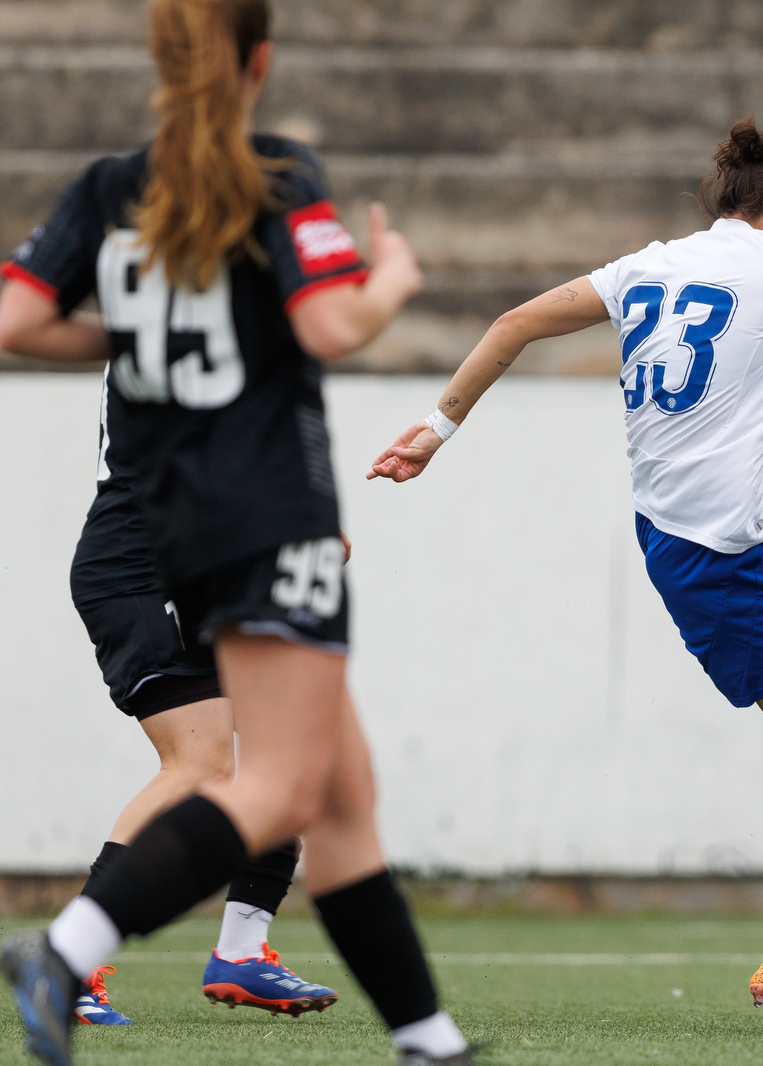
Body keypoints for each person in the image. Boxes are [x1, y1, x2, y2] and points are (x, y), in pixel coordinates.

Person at [368, 118, 763, 1036]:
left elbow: (513, 325)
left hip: (738, 508)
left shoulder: (646, 264)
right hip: (720, 548)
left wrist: (435, 431)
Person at [0, 1, 474, 1063]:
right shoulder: (277, 172)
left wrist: (133, 330)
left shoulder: (109, 185)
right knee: (275, 783)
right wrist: (391, 273)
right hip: (267, 516)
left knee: (339, 790)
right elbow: (329, 322)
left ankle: (426, 1038)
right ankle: (68, 949)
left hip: (188, 523)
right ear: (261, 59)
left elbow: (16, 320)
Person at [63, 369, 343, 1026]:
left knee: (292, 756)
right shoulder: (176, 311)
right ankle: (72, 962)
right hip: (144, 564)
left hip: (199, 566)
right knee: (200, 765)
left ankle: (242, 955)